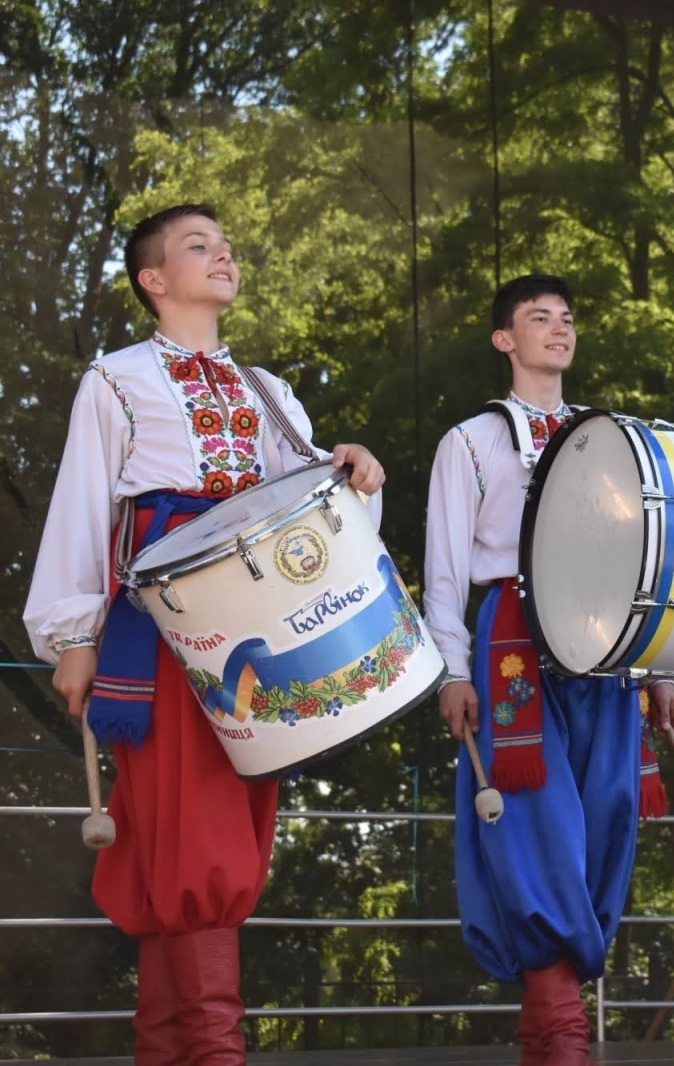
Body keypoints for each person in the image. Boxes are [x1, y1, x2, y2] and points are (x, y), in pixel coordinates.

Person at [23, 203, 385, 1064]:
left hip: (254, 628)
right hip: (157, 630)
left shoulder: (270, 391)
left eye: (225, 245)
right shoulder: (115, 380)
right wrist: (73, 634)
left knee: (206, 838)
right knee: (193, 842)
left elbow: (310, 518)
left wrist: (356, 474)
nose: (222, 253)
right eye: (198, 246)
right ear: (153, 281)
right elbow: (83, 507)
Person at [424, 272, 674, 1066]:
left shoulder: (615, 442)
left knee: (607, 809)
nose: (560, 328)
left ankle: (552, 1038)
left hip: (608, 638)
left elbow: (642, 556)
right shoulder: (468, 441)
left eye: (568, 317)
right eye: (540, 318)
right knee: (534, 821)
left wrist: (660, 663)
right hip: (510, 641)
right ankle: (565, 1037)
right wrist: (450, 669)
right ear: (505, 340)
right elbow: (443, 566)